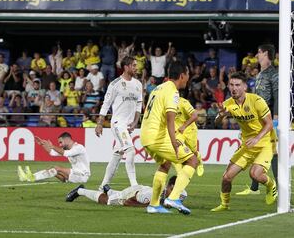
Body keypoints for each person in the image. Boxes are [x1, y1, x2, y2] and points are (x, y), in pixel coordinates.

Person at [211, 72, 277, 212]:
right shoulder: (227, 104)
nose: (234, 88)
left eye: (237, 85)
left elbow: (269, 124)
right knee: (226, 177)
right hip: (247, 145)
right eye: (232, 85)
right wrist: (221, 115)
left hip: (264, 143)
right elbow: (216, 122)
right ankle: (224, 205)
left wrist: (257, 138)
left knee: (255, 174)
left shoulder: (256, 101)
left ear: (245, 86)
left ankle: (271, 185)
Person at [140, 61, 197, 215]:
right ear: (181, 75)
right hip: (157, 136)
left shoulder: (158, 88)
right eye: (187, 75)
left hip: (146, 134)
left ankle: (154, 204)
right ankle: (174, 197)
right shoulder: (172, 91)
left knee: (165, 164)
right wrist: (174, 143)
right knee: (192, 160)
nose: (188, 78)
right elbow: (170, 118)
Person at [236, 44, 279, 196]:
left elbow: (277, 95)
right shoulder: (260, 74)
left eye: (259, 52)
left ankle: (279, 188)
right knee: (256, 150)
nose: (257, 54)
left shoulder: (274, 74)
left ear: (266, 53)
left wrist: (275, 119)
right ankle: (255, 188)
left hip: (268, 119)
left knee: (273, 153)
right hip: (257, 119)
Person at [95, 56, 142, 189]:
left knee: (117, 155)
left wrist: (135, 122)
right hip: (117, 123)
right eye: (133, 65)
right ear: (126, 67)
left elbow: (139, 104)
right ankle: (134, 186)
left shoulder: (138, 84)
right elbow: (106, 104)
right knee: (131, 151)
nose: (136, 68)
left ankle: (103, 185)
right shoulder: (115, 84)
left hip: (128, 126)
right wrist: (99, 123)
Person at [65, 176, 187, 208]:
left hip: (140, 190)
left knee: (115, 196)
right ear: (169, 186)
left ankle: (109, 190)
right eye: (174, 189)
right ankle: (80, 190)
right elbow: (129, 202)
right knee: (108, 201)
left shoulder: (182, 193)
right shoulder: (149, 196)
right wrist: (148, 205)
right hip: (134, 194)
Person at [17, 132, 90, 183]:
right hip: (75, 175)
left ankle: (32, 177)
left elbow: (67, 154)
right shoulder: (67, 149)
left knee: (56, 168)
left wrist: (52, 146)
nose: (60, 145)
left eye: (60, 142)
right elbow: (53, 153)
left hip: (82, 175)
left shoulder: (79, 147)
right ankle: (28, 177)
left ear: (67, 140)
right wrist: (42, 144)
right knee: (54, 171)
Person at [175, 96, 204, 177]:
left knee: (193, 151)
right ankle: (180, 173)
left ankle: (199, 161)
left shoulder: (183, 102)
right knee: (176, 148)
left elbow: (194, 116)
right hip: (178, 131)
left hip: (189, 129)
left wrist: (184, 126)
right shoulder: (166, 103)